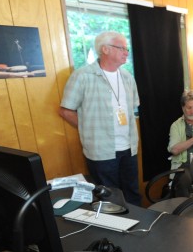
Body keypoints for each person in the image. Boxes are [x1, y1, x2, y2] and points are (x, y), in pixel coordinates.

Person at [59, 31, 142, 206]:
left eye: (127, 49)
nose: (126, 52)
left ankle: (138, 229)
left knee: (132, 192)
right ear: (105, 49)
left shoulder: (127, 77)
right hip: (101, 151)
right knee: (109, 197)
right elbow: (66, 111)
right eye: (121, 48)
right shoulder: (82, 76)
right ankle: (115, 231)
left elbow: (132, 108)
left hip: (129, 148)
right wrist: (89, 129)